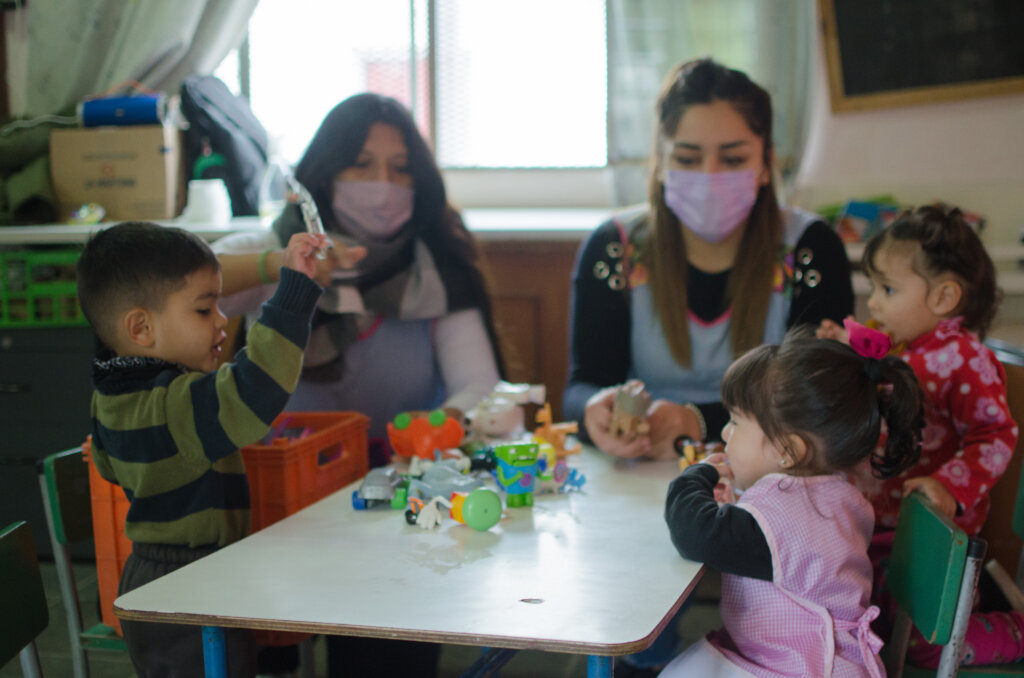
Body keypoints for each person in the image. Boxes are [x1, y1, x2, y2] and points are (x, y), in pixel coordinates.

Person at [213, 92, 502, 677]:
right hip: (278, 507)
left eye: (400, 169)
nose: (383, 185)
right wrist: (283, 268)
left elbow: (482, 387)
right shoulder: (278, 251)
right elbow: (180, 284)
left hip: (395, 510)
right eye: (362, 164)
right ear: (324, 174)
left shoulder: (437, 266)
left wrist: (446, 422)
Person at [563, 57, 853, 463]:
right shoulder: (613, 249)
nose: (709, 176)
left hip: (768, 478)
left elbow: (819, 399)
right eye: (687, 158)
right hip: (637, 469)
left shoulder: (811, 248)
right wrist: (594, 410)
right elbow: (582, 387)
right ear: (661, 163)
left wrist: (694, 421)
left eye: (733, 160)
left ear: (765, 164)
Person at [76, 221, 326, 678]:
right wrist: (293, 293)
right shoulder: (174, 404)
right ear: (141, 327)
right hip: (190, 584)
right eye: (203, 309)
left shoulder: (109, 396)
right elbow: (255, 389)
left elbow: (110, 468)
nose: (221, 320)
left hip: (153, 575)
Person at [819, 204, 1023, 667]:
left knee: (919, 645)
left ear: (944, 297)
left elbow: (995, 436)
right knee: (860, 624)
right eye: (874, 287)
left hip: (928, 538)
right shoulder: (906, 348)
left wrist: (950, 486)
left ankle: (1014, 632)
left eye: (887, 288)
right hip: (878, 526)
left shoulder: (964, 358)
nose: (872, 302)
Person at [660, 330, 923, 678]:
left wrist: (696, 477)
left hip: (799, 668)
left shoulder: (784, 510)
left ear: (788, 451)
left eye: (736, 422)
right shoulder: (837, 496)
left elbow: (694, 533)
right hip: (815, 660)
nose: (724, 433)